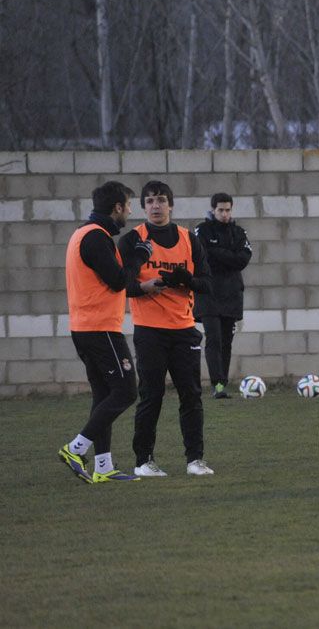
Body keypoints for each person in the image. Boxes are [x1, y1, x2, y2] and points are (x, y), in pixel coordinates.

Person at [57, 181, 152, 484]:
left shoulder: (82, 233)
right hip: (100, 330)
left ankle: (103, 467)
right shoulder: (96, 237)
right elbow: (118, 281)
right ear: (117, 208)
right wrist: (139, 257)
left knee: (103, 395)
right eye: (128, 206)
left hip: (86, 328)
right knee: (126, 392)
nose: (130, 212)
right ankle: (75, 448)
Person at [118, 180, 214, 477]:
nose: (155, 206)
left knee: (191, 395)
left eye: (161, 200)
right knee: (151, 395)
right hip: (150, 330)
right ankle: (143, 460)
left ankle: (195, 460)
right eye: (149, 201)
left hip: (184, 329)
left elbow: (207, 284)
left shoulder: (189, 238)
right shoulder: (133, 240)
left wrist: (186, 280)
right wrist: (144, 287)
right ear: (143, 207)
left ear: (170, 204)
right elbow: (121, 284)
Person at [193, 192, 253, 399]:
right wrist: (229, 256)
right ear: (213, 210)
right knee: (214, 338)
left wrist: (217, 252)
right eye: (221, 210)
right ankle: (216, 385)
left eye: (228, 210)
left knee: (227, 340)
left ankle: (222, 384)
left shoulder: (239, 232)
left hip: (232, 293)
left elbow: (243, 259)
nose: (225, 214)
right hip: (208, 294)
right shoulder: (202, 230)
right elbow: (203, 255)